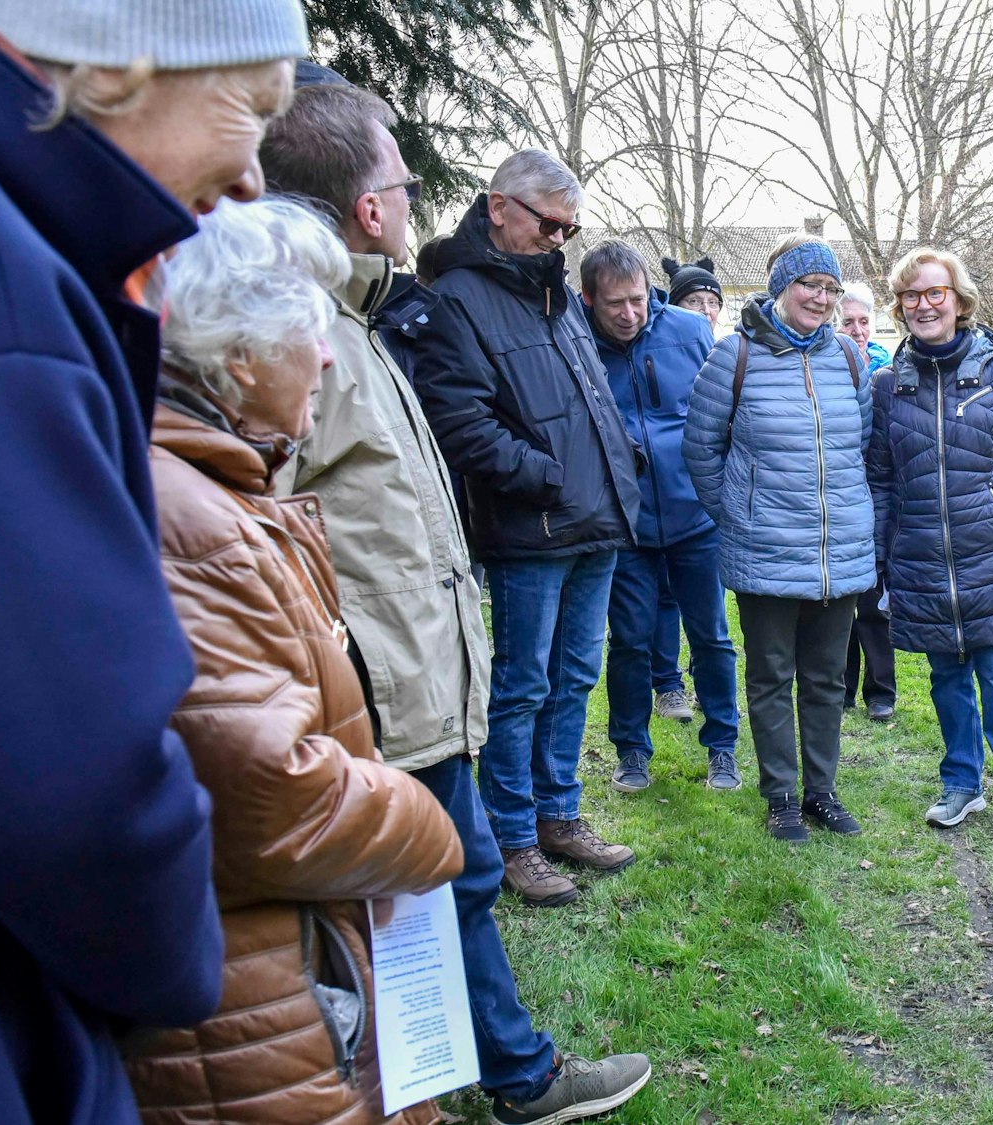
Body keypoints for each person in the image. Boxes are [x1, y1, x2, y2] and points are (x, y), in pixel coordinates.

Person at [0, 2, 310, 1118]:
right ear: (121, 59)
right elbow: (61, 781)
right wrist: (170, 962)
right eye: (251, 108)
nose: (252, 182)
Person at [260, 83, 654, 1121]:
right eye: (397, 178)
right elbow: (278, 522)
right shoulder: (308, 328)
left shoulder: (364, 316)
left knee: (444, 876)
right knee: (451, 872)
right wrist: (547, 477)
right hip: (388, 671)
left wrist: (606, 478)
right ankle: (507, 1077)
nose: (564, 244)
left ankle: (444, 1080)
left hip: (428, 653)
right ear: (366, 206)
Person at [122, 194, 466, 1123]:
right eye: (305, 331)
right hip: (248, 1017)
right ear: (234, 353)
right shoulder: (190, 519)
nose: (324, 354)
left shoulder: (221, 489)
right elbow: (268, 792)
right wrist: (425, 825)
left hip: (284, 974)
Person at [407, 149, 643, 901]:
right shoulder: (458, 297)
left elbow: (589, 395)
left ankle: (558, 816)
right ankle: (512, 838)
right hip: (530, 532)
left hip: (596, 522)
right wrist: (545, 476)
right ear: (499, 206)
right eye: (548, 223)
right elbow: (458, 419)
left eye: (569, 229)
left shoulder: (557, 293)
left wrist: (616, 461)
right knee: (520, 687)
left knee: (575, 677)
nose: (558, 240)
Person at [684, 234, 875, 841]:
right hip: (764, 549)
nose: (820, 298)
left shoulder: (847, 358)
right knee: (770, 676)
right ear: (779, 289)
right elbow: (701, 450)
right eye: (808, 286)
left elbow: (860, 447)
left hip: (836, 551)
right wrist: (740, 514)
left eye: (829, 288)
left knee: (827, 678)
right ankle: (781, 797)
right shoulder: (732, 357)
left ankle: (821, 791)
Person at [871, 248, 993, 838]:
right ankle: (961, 783)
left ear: (958, 300)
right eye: (911, 296)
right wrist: (881, 553)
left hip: (992, 550)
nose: (924, 305)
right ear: (901, 307)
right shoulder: (887, 387)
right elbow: (880, 478)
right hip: (921, 555)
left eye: (935, 293)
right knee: (946, 678)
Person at [582, 240, 742, 793]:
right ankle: (631, 751)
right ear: (589, 300)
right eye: (614, 306)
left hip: (696, 514)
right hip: (623, 521)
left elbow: (721, 416)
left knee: (712, 635)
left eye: (636, 301)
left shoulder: (689, 330)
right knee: (627, 640)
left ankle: (723, 745)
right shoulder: (575, 341)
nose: (629, 315)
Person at [648, 253, 727, 722]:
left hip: (706, 502)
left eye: (711, 301)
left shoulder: (727, 352)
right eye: (693, 301)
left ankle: (705, 679)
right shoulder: (658, 348)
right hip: (659, 496)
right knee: (662, 597)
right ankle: (667, 683)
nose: (704, 310)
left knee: (709, 605)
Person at [840, 281, 899, 720]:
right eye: (848, 322)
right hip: (838, 496)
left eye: (864, 322)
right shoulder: (827, 368)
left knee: (874, 600)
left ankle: (881, 690)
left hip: (878, 497)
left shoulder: (888, 373)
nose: (858, 330)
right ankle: (838, 686)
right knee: (838, 604)